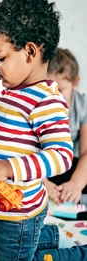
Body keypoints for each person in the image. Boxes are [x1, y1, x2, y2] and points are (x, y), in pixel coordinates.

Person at [0, 0, 87, 261]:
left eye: (1, 58)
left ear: (30, 52)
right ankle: (44, 235)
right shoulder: (7, 95)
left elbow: (61, 155)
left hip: (16, 215)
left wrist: (6, 168)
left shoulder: (46, 101)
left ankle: (72, 255)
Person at [43, 48, 87, 205]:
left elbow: (86, 153)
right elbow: (27, 149)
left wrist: (76, 183)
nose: (54, 98)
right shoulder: (37, 106)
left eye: (60, 90)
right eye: (48, 90)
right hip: (42, 165)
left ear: (75, 82)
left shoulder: (82, 106)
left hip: (72, 166)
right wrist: (43, 182)